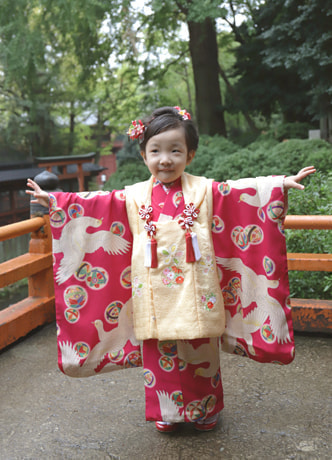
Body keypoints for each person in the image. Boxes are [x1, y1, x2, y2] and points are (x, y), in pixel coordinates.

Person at [26, 106, 315, 433]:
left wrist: (278, 185)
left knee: (200, 349)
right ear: (143, 154)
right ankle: (168, 411)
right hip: (152, 291)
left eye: (175, 150)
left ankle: (205, 410)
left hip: (196, 288)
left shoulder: (204, 191)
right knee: (160, 353)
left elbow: (238, 192)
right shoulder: (133, 196)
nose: (165, 159)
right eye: (156, 151)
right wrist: (56, 201)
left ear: (190, 155)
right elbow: (95, 203)